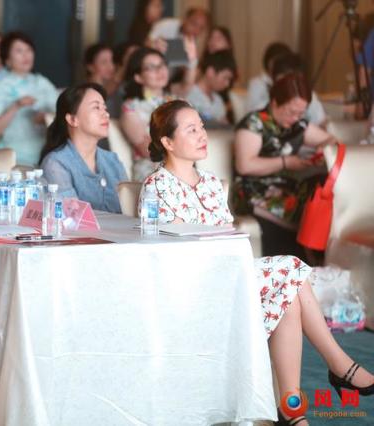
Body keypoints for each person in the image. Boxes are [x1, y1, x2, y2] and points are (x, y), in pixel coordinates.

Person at [140, 99, 374, 426]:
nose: (202, 135)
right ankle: (338, 365)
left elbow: (228, 236)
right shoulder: (156, 187)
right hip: (194, 286)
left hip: (228, 274)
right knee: (292, 269)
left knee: (289, 299)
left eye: (202, 127)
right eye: (191, 130)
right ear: (167, 141)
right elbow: (163, 249)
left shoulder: (210, 183)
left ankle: (291, 411)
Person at [234, 73, 337, 257]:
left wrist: (323, 150)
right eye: (291, 112)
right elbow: (245, 165)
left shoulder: (298, 125)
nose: (296, 118)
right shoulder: (254, 123)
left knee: (324, 188)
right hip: (255, 189)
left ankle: (319, 256)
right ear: (275, 103)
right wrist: (286, 162)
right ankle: (305, 255)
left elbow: (332, 141)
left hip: (286, 186)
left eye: (301, 113)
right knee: (303, 204)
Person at [40, 83, 126, 213]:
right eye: (96, 107)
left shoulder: (113, 160)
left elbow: (130, 211)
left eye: (105, 108)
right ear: (72, 119)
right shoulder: (56, 164)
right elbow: (71, 217)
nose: (106, 114)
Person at [0, 31, 58, 166]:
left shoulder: (42, 82)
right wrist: (16, 106)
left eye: (29, 50)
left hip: (46, 155)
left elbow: (63, 111)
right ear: (7, 59)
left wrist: (46, 117)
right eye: (19, 51)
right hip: (13, 158)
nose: (26, 55)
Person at [120, 47, 174, 181]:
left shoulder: (177, 101)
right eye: (151, 67)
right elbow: (150, 151)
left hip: (182, 169)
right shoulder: (131, 108)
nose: (159, 70)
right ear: (138, 77)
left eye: (161, 65)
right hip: (152, 173)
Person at [186, 50, 236, 126]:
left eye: (229, 79)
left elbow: (225, 126)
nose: (227, 84)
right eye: (225, 78)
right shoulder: (189, 94)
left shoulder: (218, 100)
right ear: (210, 72)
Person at [245, 41, 292, 114]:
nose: (278, 65)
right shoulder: (257, 83)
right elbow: (251, 110)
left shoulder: (293, 83)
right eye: (275, 61)